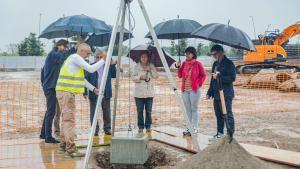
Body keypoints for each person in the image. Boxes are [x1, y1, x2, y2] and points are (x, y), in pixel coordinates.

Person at [56, 43, 105, 157]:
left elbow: (81, 79)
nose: (88, 56)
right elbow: (92, 69)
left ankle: (63, 146)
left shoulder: (74, 60)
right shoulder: (75, 57)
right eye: (87, 53)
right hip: (67, 93)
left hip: (64, 92)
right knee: (69, 121)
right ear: (81, 50)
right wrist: (104, 60)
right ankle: (70, 149)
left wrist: (93, 89)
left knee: (65, 120)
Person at [40, 39, 77, 143]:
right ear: (60, 46)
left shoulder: (54, 58)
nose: (66, 49)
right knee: (51, 112)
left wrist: (44, 85)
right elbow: (64, 55)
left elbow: (42, 74)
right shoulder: (53, 55)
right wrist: (75, 48)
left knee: (49, 111)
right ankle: (48, 137)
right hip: (50, 88)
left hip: (51, 87)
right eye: (65, 47)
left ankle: (43, 134)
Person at [206, 44, 236, 141]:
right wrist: (209, 92)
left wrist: (220, 77)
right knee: (218, 115)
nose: (214, 56)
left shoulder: (229, 64)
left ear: (221, 52)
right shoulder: (215, 64)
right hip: (216, 94)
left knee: (227, 114)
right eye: (212, 54)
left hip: (226, 94)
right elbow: (212, 79)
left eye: (215, 54)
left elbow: (232, 78)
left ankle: (230, 135)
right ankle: (220, 133)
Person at [84, 51, 117, 136]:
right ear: (95, 57)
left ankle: (107, 129)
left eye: (100, 57)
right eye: (97, 57)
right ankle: (95, 130)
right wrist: (85, 92)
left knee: (106, 112)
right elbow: (85, 79)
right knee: (94, 113)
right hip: (93, 93)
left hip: (106, 92)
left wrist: (113, 65)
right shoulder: (90, 66)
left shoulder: (108, 66)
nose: (99, 59)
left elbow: (114, 75)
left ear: (103, 57)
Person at [177, 47, 206, 136]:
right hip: (185, 90)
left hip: (194, 90)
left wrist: (198, 84)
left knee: (194, 108)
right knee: (187, 109)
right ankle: (189, 127)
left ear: (193, 54)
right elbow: (180, 76)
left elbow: (203, 75)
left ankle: (195, 127)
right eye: (186, 53)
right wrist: (179, 67)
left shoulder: (198, 64)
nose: (187, 55)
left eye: (189, 53)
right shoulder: (184, 63)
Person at [132, 51, 159, 133]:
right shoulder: (136, 66)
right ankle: (140, 126)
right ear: (140, 58)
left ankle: (148, 126)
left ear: (148, 58)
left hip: (149, 93)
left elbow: (156, 76)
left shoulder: (151, 66)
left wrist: (150, 70)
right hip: (138, 94)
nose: (143, 58)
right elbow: (133, 77)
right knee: (139, 111)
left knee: (148, 111)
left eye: (145, 57)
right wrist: (140, 77)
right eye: (142, 57)